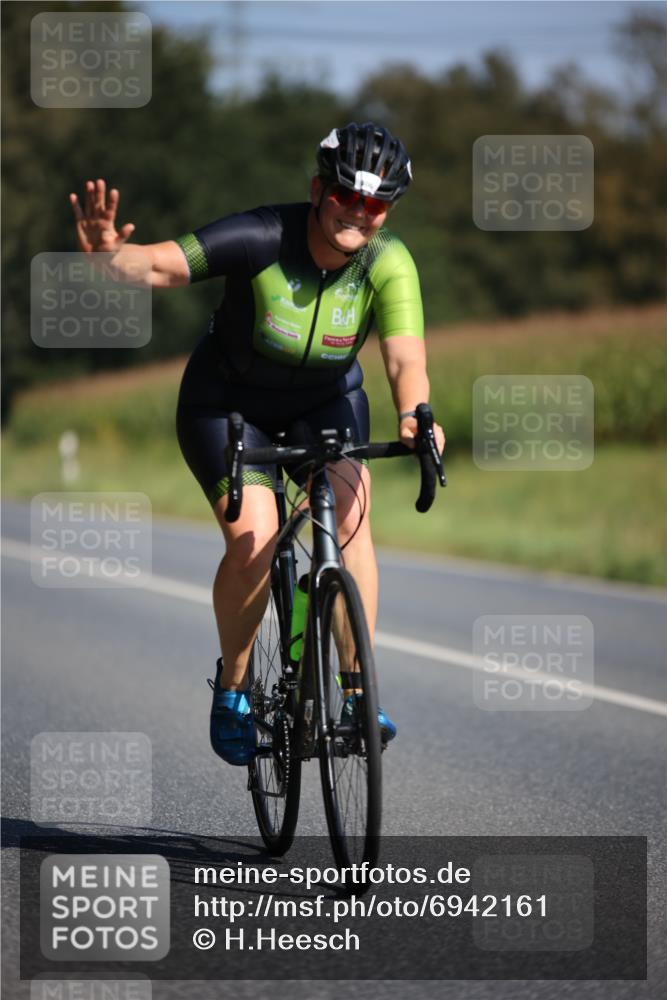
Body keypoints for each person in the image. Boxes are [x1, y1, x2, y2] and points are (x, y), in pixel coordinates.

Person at [70, 121, 445, 767]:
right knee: (254, 539)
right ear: (318, 190)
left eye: (376, 202)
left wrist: (416, 412)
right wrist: (109, 254)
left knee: (352, 517)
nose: (359, 211)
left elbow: (405, 358)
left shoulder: (387, 262)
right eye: (345, 196)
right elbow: (161, 263)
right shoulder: (262, 235)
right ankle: (234, 687)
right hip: (227, 404)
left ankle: (356, 693)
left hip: (325, 403)